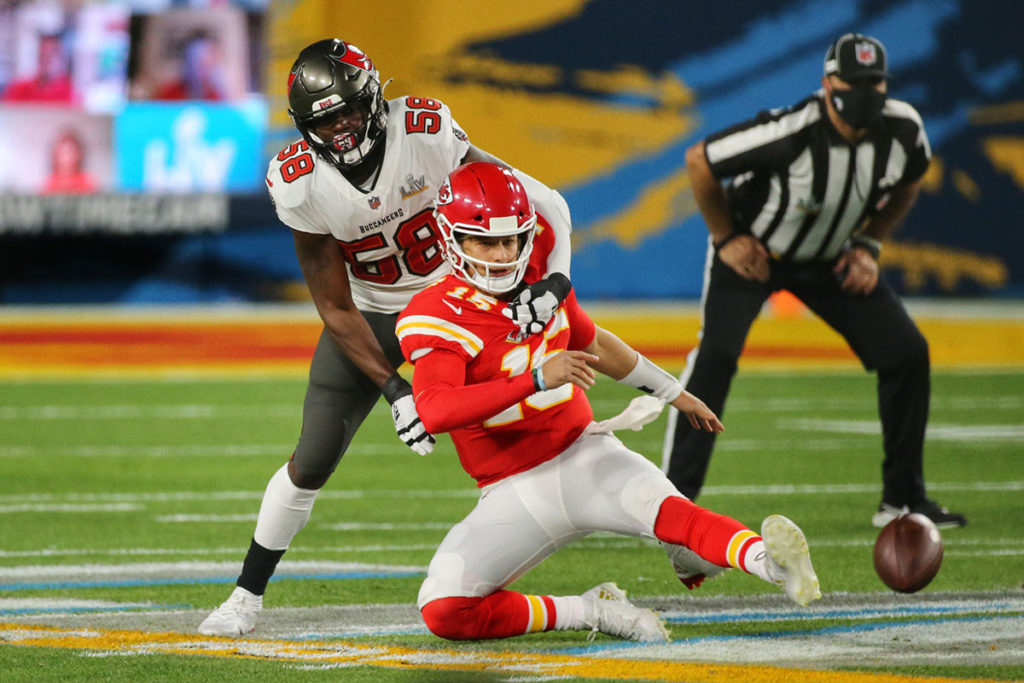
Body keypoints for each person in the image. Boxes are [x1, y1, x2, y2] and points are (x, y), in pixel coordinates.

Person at [198, 39, 575, 636]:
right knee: (313, 456)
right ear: (304, 126)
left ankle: (648, 519)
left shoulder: (424, 130)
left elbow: (540, 200)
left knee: (545, 417)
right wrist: (397, 391)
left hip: (456, 305)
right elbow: (333, 304)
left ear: (374, 97)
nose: (341, 127)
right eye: (325, 119)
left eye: (348, 110)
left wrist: (555, 281)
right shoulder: (299, 181)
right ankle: (246, 596)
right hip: (371, 313)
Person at [396, 161, 821, 643]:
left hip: (585, 455)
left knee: (673, 514)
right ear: (452, 239)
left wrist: (674, 393)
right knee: (445, 609)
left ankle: (774, 566)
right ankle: (588, 610)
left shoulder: (540, 284)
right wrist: (535, 378)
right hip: (513, 490)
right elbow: (435, 409)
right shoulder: (438, 313)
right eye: (485, 242)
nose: (501, 254)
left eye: (511, 239)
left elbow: (596, 343)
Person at [660, 33, 966, 528]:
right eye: (855, 81)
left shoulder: (903, 130)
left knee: (906, 352)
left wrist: (869, 243)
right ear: (828, 85)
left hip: (829, 260)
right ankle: (671, 503)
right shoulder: (790, 131)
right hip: (755, 255)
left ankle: (903, 499)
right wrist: (726, 237)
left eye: (875, 82)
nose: (866, 91)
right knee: (715, 356)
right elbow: (700, 160)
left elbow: (912, 178)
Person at [42, 129, 97, 194]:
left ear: (79, 154)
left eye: (71, 152)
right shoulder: (49, 182)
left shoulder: (87, 181)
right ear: (55, 154)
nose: (68, 158)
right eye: (63, 153)